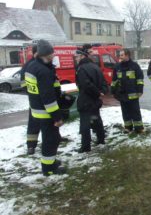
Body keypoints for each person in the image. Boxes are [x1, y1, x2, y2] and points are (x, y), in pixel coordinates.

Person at [24, 39, 66, 176]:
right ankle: (49, 169)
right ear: (46, 54)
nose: (53, 55)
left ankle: (51, 162)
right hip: (46, 112)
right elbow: (48, 98)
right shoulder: (43, 71)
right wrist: (57, 117)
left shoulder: (31, 67)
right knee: (51, 140)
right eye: (52, 53)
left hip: (36, 110)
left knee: (50, 139)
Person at [75, 46, 108, 153]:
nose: (76, 59)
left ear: (82, 56)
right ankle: (101, 139)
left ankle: (85, 146)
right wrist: (101, 92)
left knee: (85, 124)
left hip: (86, 100)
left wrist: (98, 93)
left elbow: (86, 85)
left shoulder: (81, 69)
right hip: (95, 101)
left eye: (77, 57)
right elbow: (103, 81)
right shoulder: (95, 66)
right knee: (96, 119)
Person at [111, 49, 144, 133]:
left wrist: (140, 90)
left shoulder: (135, 66)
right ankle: (128, 127)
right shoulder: (117, 67)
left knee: (135, 111)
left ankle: (139, 128)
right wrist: (113, 91)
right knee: (125, 111)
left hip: (133, 93)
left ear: (127, 55)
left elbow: (140, 78)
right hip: (122, 94)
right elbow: (114, 80)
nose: (120, 56)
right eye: (120, 55)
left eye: (122, 55)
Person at [20, 45, 40, 155]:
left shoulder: (43, 64)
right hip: (35, 100)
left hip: (44, 99)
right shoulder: (28, 65)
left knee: (51, 122)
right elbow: (23, 84)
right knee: (33, 123)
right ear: (35, 53)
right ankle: (31, 145)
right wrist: (33, 93)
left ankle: (57, 137)